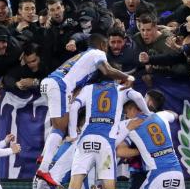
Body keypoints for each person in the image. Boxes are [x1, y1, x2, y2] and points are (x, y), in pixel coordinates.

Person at [38, 33, 135, 181]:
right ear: (103, 45)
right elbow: (107, 70)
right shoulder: (97, 53)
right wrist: (126, 77)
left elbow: (76, 86)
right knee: (60, 128)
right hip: (59, 85)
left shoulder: (83, 56)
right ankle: (44, 169)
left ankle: (44, 156)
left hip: (48, 83)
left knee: (58, 123)